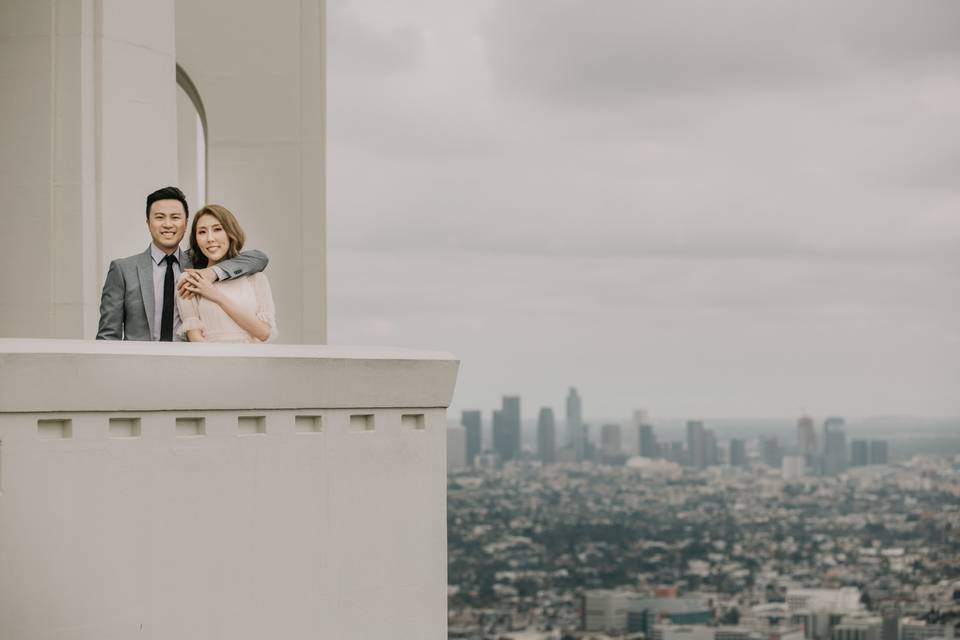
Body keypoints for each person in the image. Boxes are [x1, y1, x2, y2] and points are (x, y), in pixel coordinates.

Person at [96, 186, 268, 341]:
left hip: (191, 366)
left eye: (175, 217)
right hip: (139, 366)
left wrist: (212, 272)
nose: (168, 224)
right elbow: (108, 336)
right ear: (148, 223)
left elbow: (259, 258)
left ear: (186, 224)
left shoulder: (200, 265)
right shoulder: (123, 269)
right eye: (159, 217)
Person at [176, 204, 276, 343]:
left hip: (250, 360)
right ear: (196, 240)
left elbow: (264, 333)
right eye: (202, 232)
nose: (210, 238)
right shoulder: (190, 279)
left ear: (230, 233)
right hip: (210, 361)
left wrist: (215, 295)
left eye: (217, 229)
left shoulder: (256, 278)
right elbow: (195, 338)